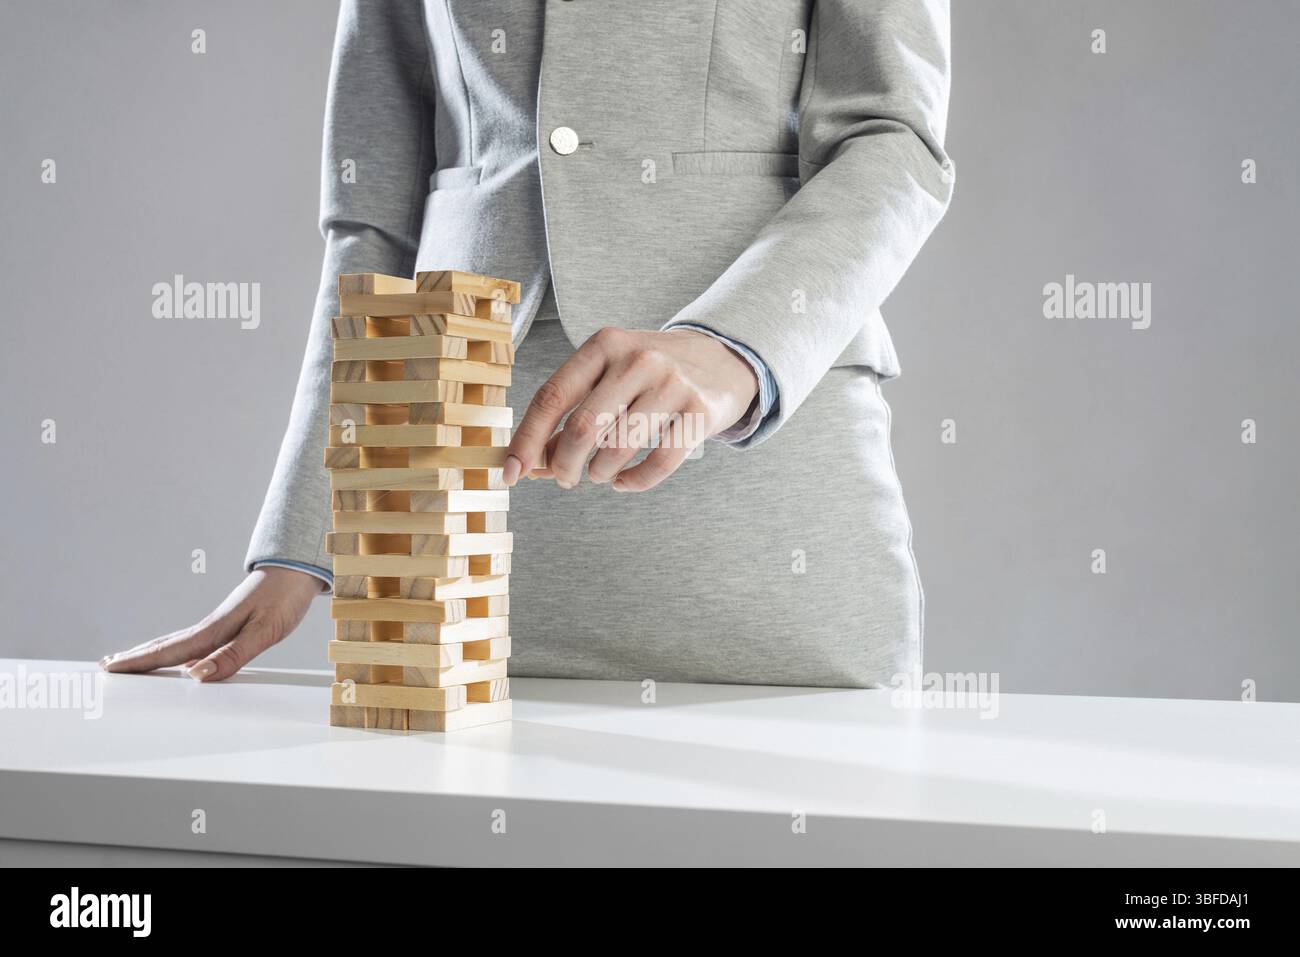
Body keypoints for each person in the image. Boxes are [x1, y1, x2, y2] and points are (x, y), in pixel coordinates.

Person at [102, 0, 954, 688]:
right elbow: (376, 217)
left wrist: (730, 346)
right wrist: (308, 526)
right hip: (449, 518)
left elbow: (895, 138)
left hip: (764, 510)